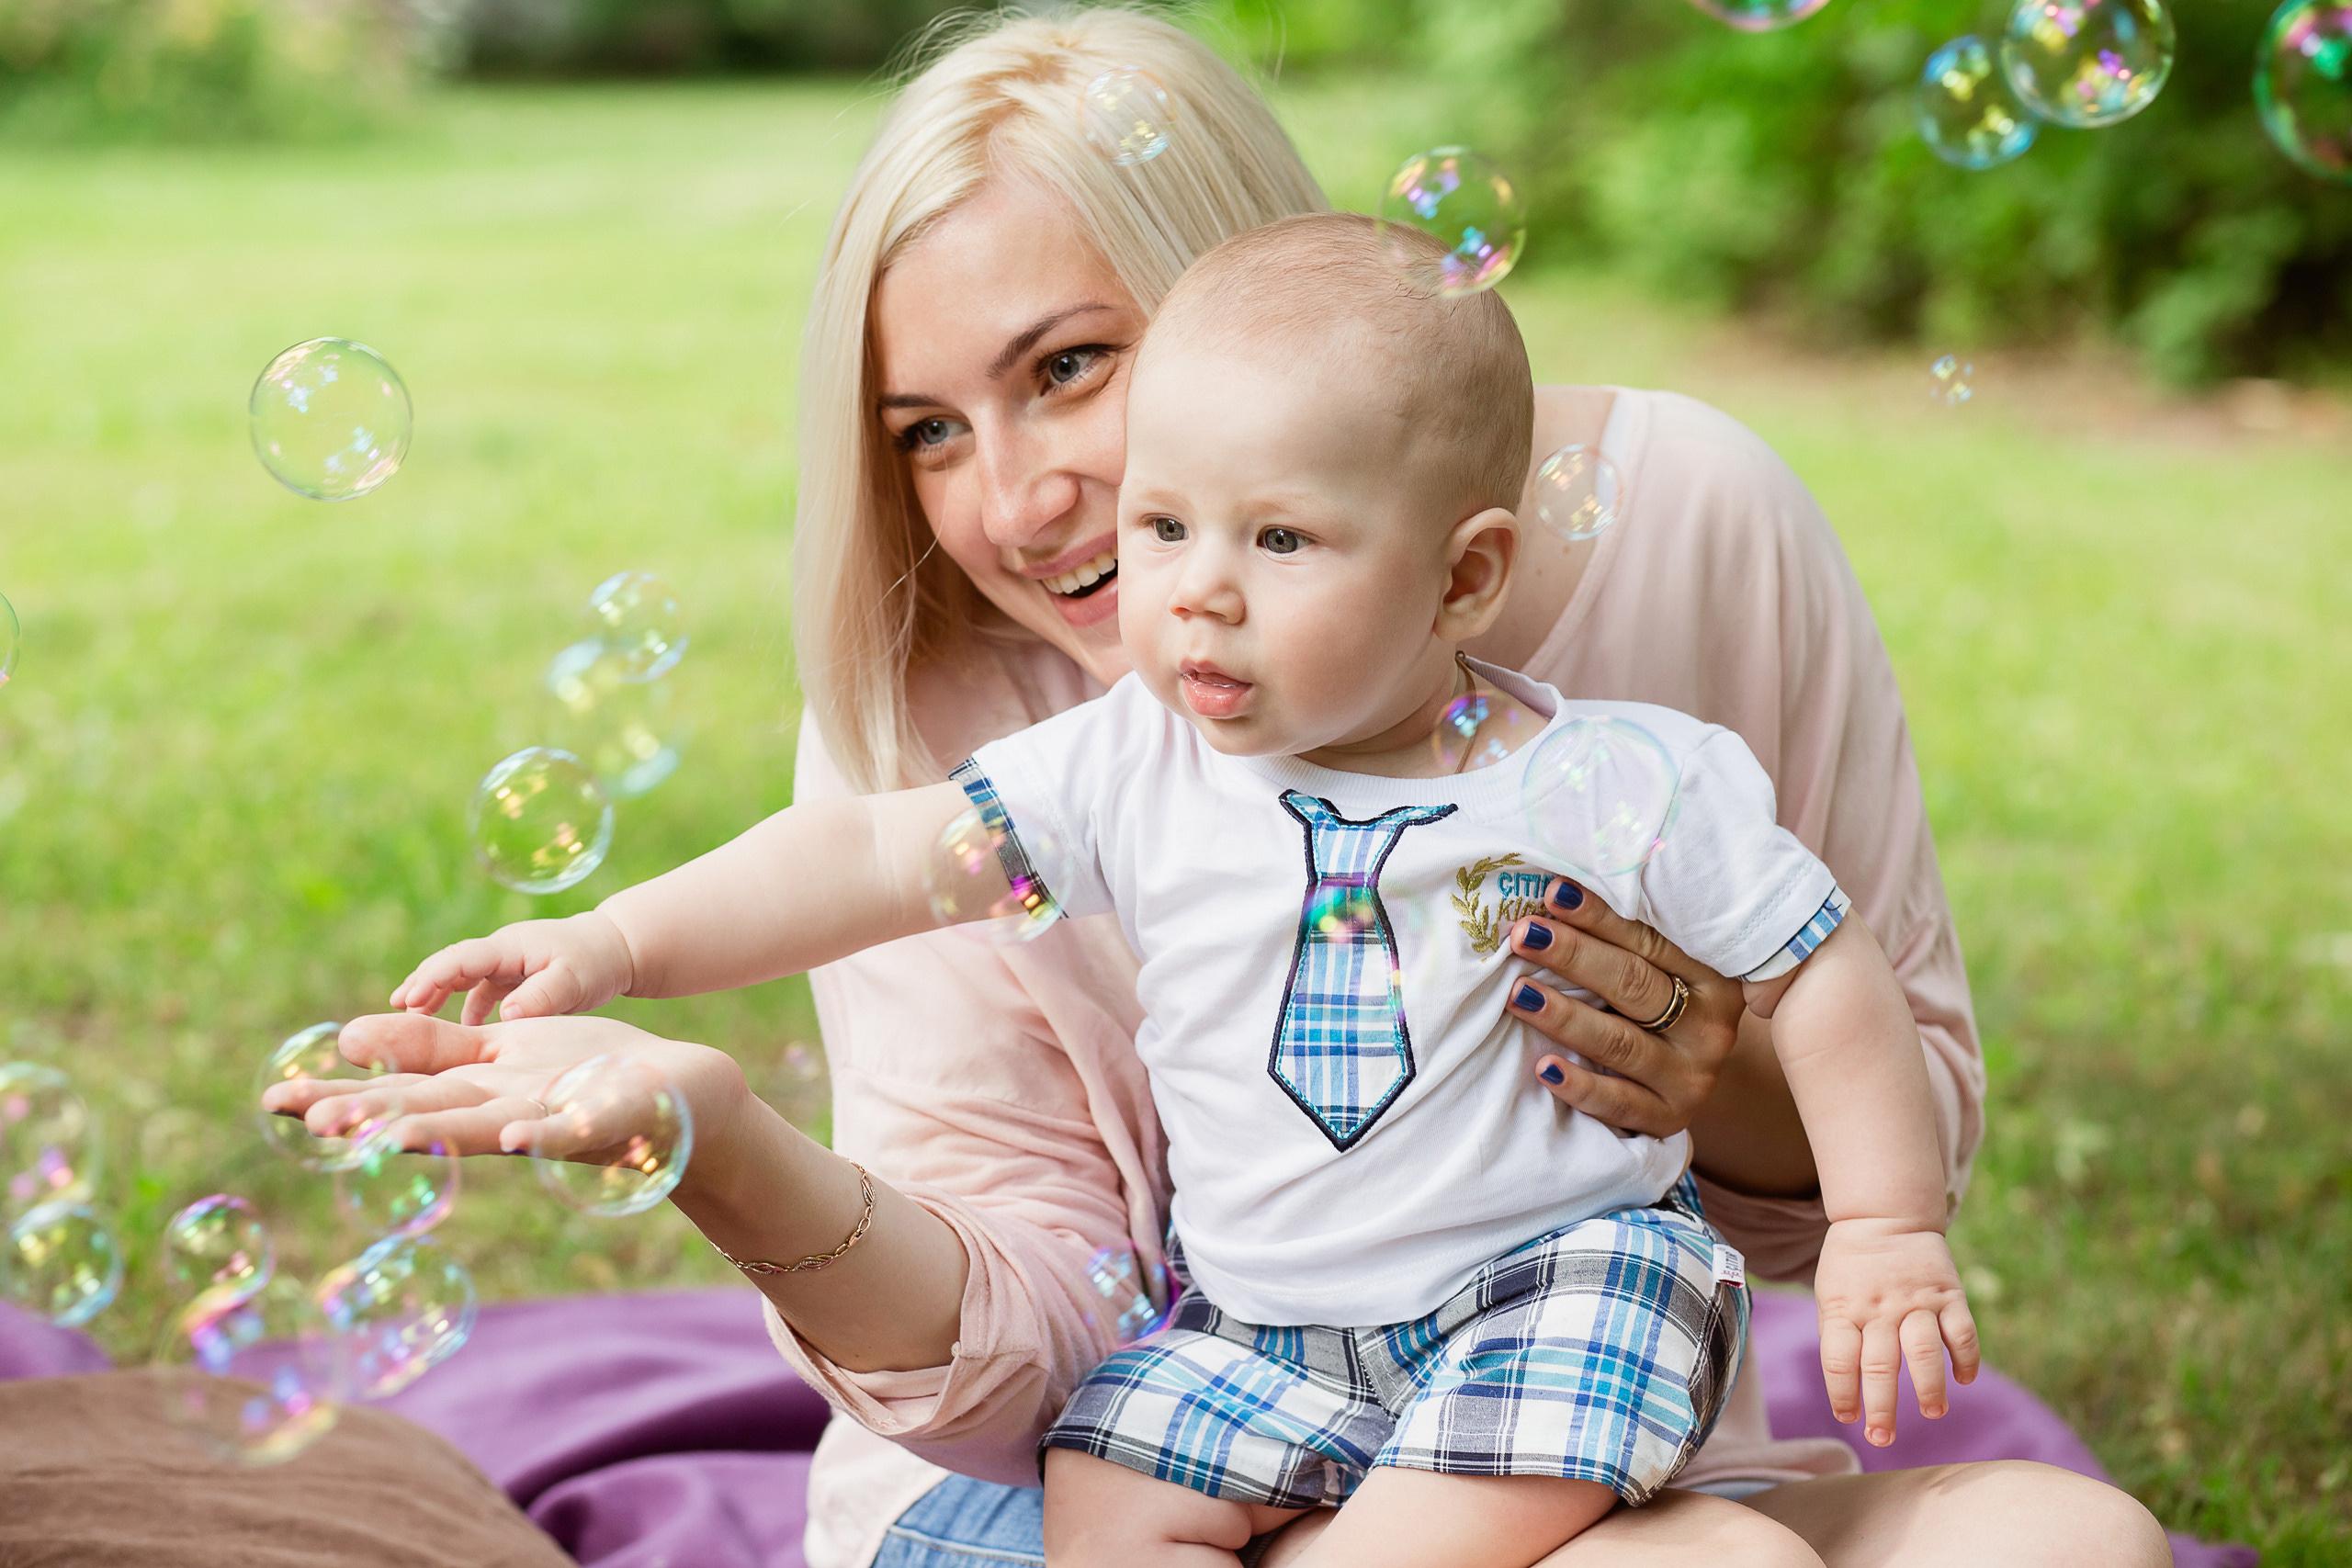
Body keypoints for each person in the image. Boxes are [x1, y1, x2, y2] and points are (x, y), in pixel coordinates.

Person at [288, 7, 2170, 1565]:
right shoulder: (1053, 743)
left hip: (1548, 1408)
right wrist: (649, 1009)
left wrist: (1754, 1105)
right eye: (927, 430)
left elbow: (1861, 1053)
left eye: (1070, 368)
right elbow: (1010, 1301)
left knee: (2063, 1543)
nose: (1017, 501)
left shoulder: (1638, 667)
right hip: (1157, 1412)